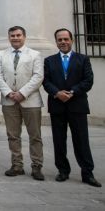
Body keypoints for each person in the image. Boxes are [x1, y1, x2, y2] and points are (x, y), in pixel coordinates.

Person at [43, 28, 101, 187]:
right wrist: (57, 93)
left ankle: (87, 173)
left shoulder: (83, 59)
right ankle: (63, 170)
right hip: (57, 105)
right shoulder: (49, 60)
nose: (63, 42)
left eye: (65, 39)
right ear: (56, 42)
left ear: (71, 40)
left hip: (77, 105)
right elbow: (46, 81)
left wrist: (73, 92)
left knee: (82, 140)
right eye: (59, 40)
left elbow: (88, 80)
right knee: (59, 140)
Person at [0, 26, 45, 181]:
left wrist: (22, 93)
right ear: (9, 37)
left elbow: (38, 76)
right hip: (9, 101)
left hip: (31, 101)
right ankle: (17, 165)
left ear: (24, 36)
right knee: (13, 135)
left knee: (35, 135)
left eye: (18, 35)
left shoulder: (35, 54)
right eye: (12, 36)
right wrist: (9, 93)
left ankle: (37, 166)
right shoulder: (1, 54)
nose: (15, 38)